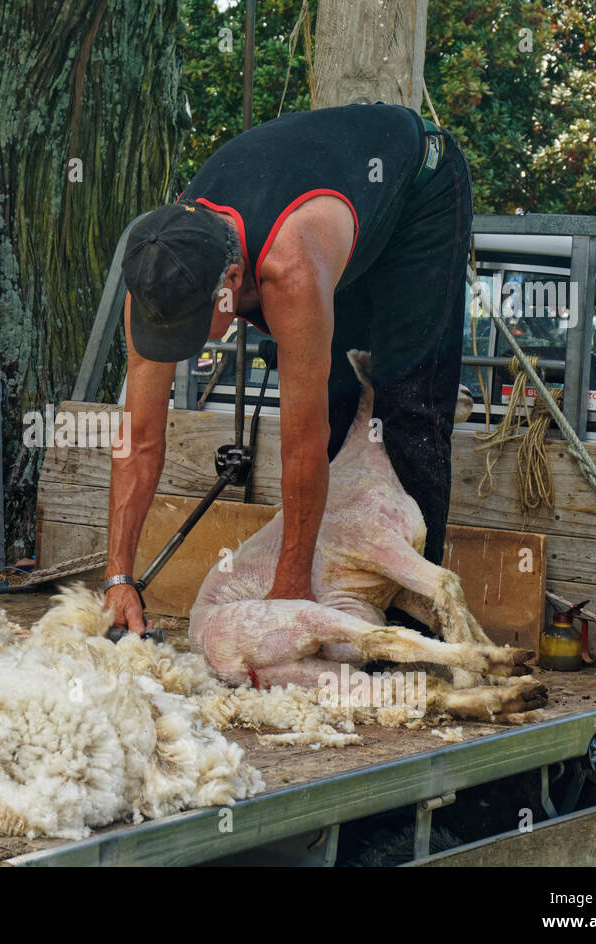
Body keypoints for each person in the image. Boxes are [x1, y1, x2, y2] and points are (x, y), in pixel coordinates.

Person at [104, 102, 473, 636]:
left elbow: (302, 441)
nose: (181, 345)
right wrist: (119, 577)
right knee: (342, 394)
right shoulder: (159, 269)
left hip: (419, 189)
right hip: (329, 209)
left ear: (232, 281)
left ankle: (410, 623)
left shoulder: (289, 266)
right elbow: (137, 440)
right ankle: (339, 600)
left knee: (406, 405)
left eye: (193, 327)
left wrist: (289, 593)